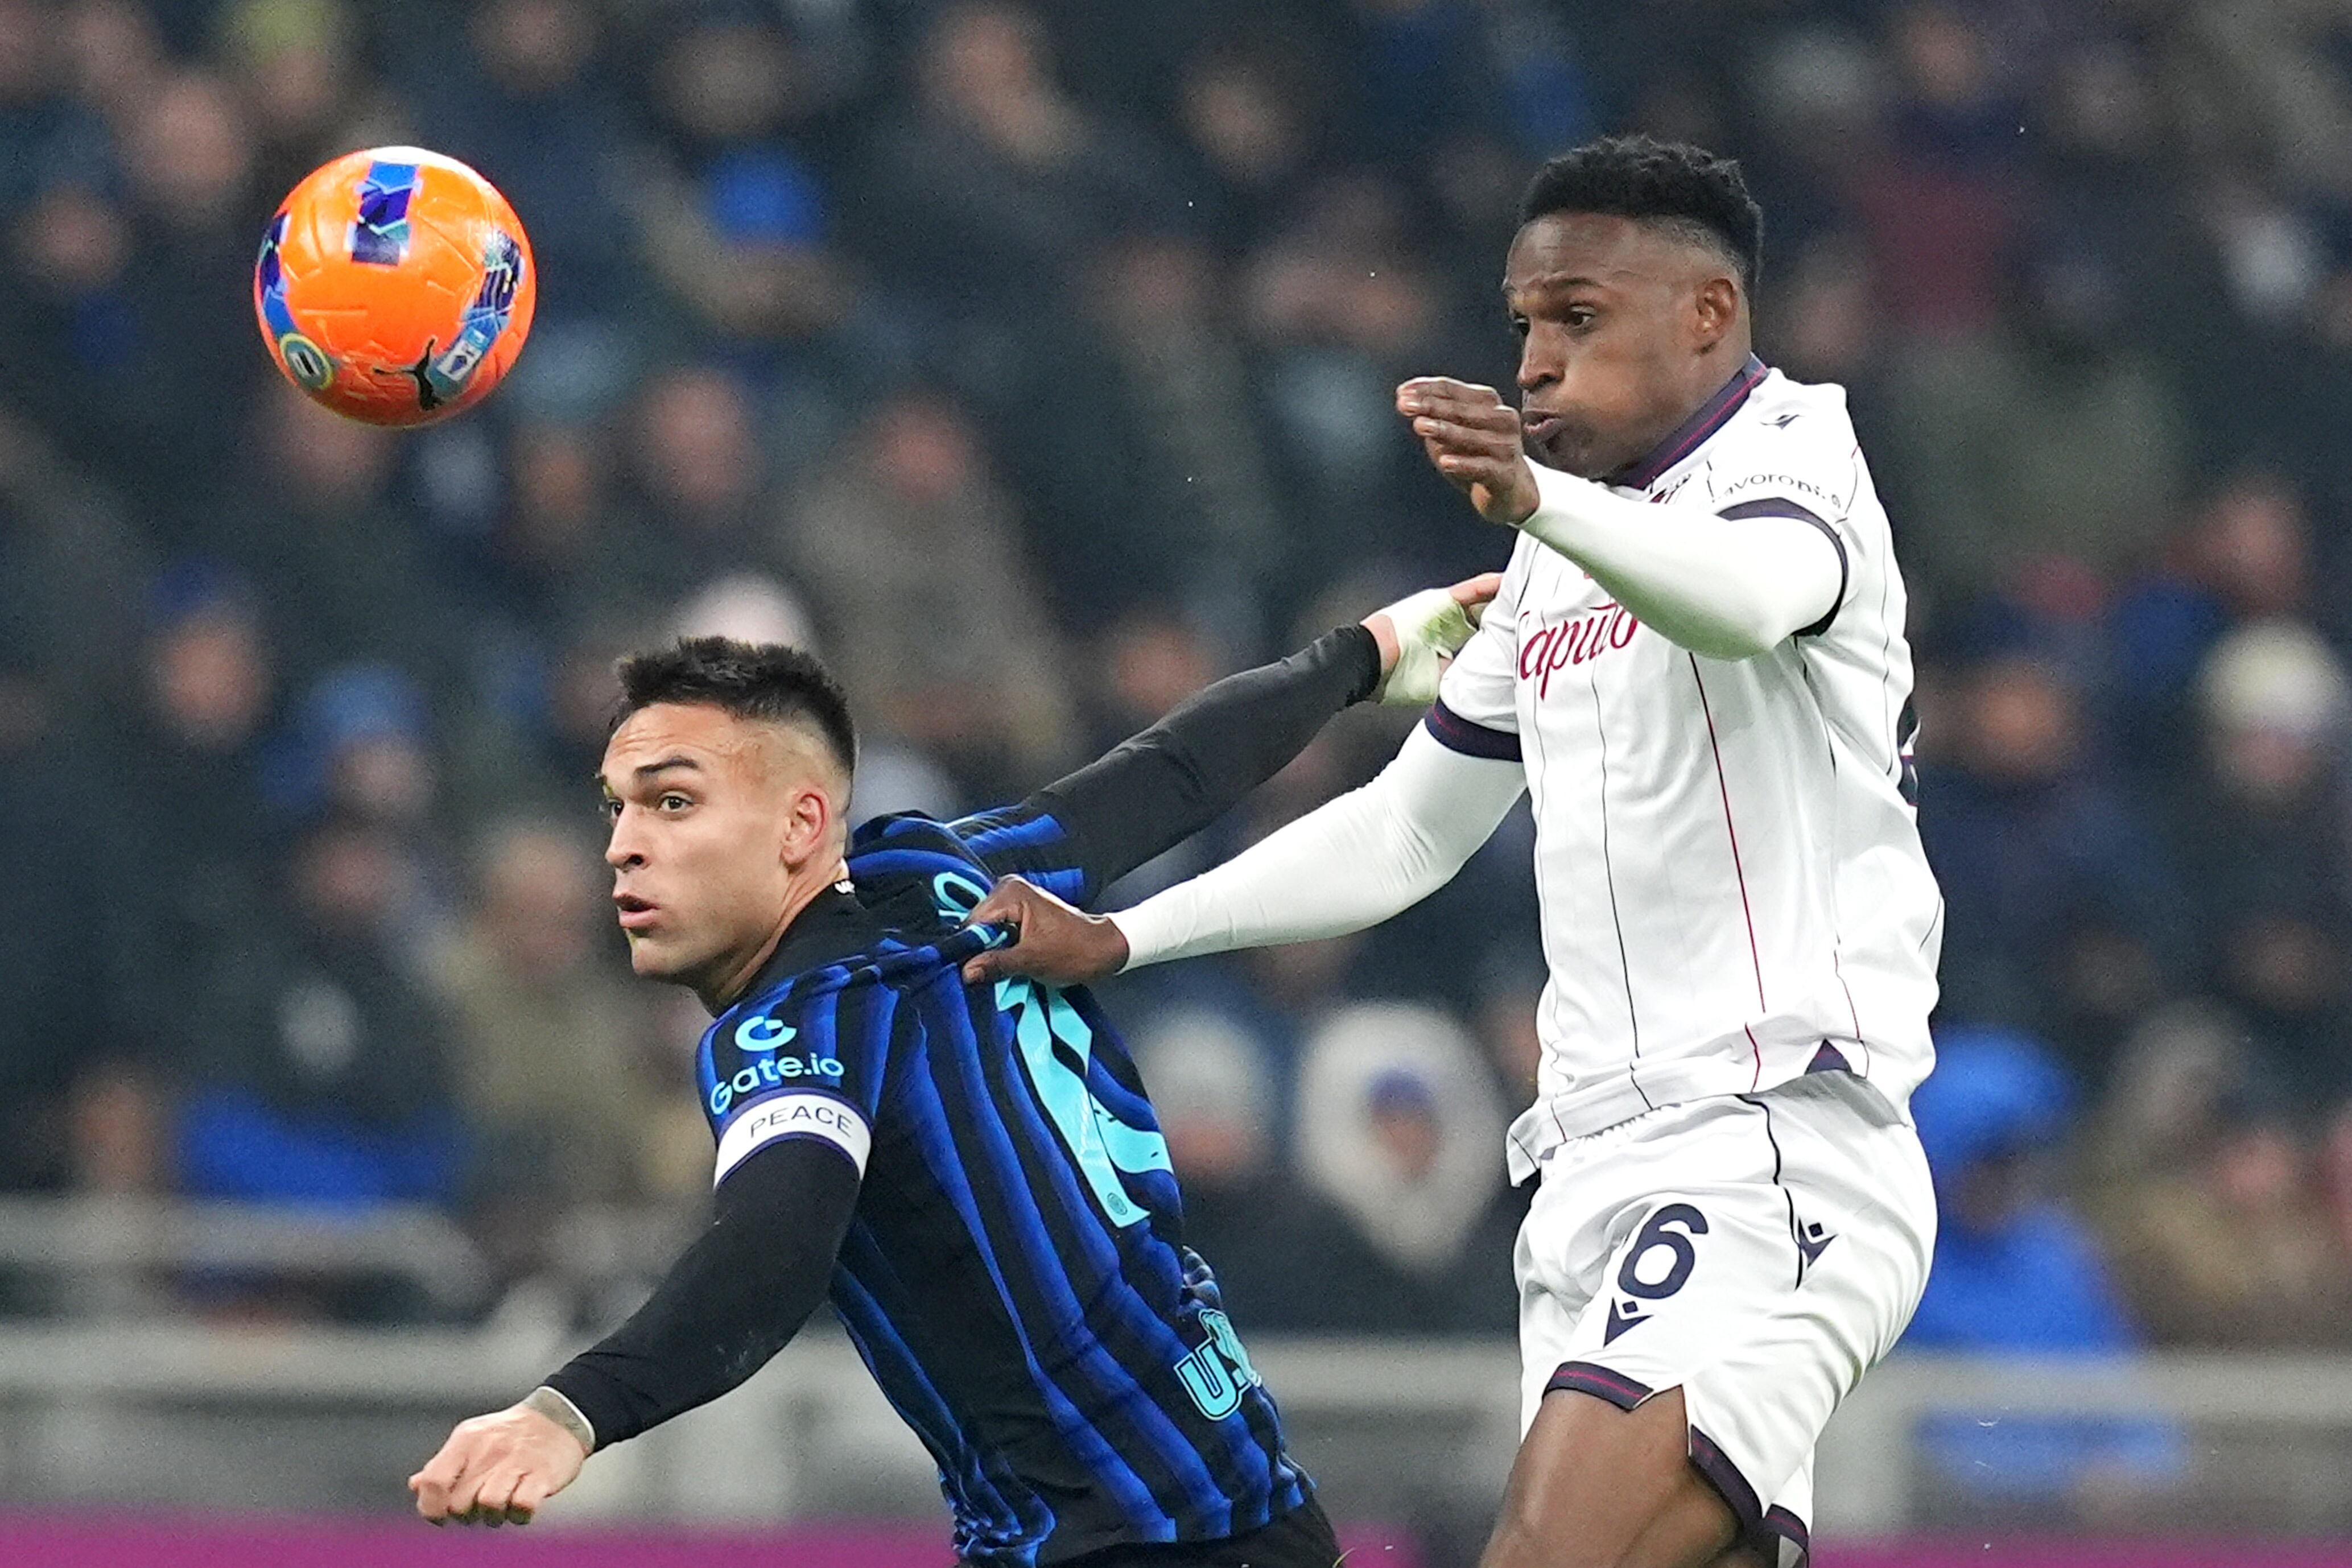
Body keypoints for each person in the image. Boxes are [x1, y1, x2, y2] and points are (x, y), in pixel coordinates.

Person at [965, 137, 1944, 1568]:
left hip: (1769, 1140)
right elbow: (1411, 825)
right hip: (1589, 1178)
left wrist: (1545, 504)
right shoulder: (1564, 555)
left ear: (1709, 318)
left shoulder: (1793, 454)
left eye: (1580, 318)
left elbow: (1746, 601)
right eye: (1525, 325)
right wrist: (1125, 933)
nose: (1536, 362)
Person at [407, 574, 1497, 1567]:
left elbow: (773, 1249)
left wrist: (570, 1409)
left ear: (799, 825)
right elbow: (1163, 778)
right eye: (618, 807)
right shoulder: (937, 873)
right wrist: (1365, 651)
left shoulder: (797, 1026)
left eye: (672, 801)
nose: (625, 844)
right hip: (1247, 1505)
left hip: (1115, 1545)